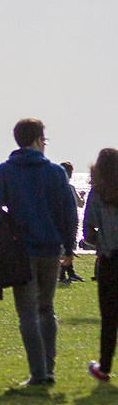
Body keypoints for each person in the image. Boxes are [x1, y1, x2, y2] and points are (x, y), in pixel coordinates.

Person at [0, 117, 80, 387]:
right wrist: (69, 246)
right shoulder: (56, 172)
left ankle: (39, 373)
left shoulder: (5, 171)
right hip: (51, 250)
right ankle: (49, 369)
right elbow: (69, 214)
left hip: (20, 251)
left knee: (27, 313)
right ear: (37, 140)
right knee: (47, 308)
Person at [82, 146, 117, 385]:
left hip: (109, 260)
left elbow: (88, 230)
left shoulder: (97, 193)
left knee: (109, 318)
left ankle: (104, 367)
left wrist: (98, 240)